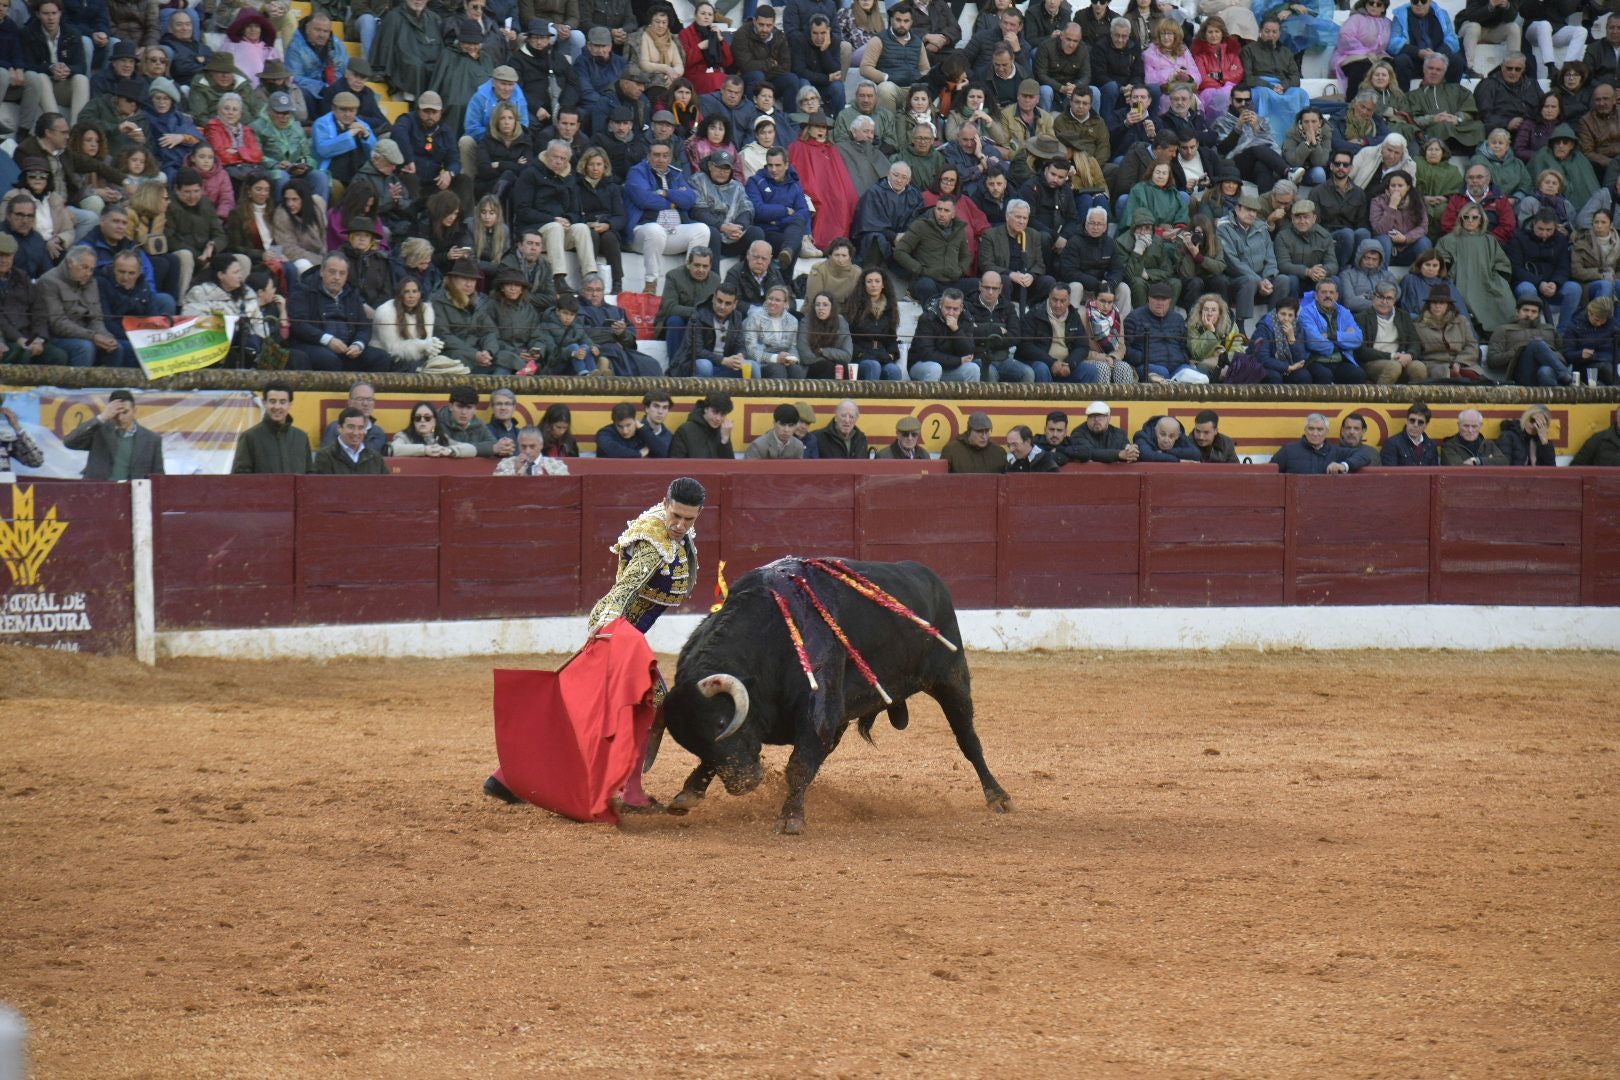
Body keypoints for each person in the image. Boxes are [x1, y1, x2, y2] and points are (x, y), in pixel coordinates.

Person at [63, 389, 164, 479]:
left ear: (134, 411)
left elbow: (158, 478)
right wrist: (102, 417)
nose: (120, 418)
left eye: (125, 412)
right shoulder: (99, 431)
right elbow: (70, 442)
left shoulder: (152, 440)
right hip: (99, 493)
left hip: (134, 495)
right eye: (116, 413)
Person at [1274, 412, 1370, 473]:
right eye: (1311, 429)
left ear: (1326, 432)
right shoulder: (1289, 450)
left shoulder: (1336, 452)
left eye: (1320, 429)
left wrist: (1344, 465)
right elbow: (1270, 471)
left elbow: (1364, 455)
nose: (1315, 433)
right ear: (1305, 430)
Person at [392, 401, 478, 458]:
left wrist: (450, 450)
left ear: (434, 421)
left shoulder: (441, 437)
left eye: (427, 417)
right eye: (417, 418)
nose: (422, 420)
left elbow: (472, 449)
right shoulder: (404, 436)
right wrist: (425, 450)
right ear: (413, 421)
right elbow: (392, 449)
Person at [670, 393, 736, 458]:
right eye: (715, 412)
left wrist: (725, 440)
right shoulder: (685, 430)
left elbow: (730, 466)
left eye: (723, 414)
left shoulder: (724, 430)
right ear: (706, 409)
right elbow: (675, 463)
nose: (718, 418)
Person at [941, 410, 1005, 474]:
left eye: (987, 431)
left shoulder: (998, 452)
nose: (984, 437)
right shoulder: (952, 450)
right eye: (979, 431)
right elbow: (941, 479)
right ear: (969, 431)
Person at [1439, 408, 1508, 466]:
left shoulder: (1488, 444)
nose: (1470, 430)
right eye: (1466, 426)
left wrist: (1477, 461)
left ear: (1480, 426)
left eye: (1474, 426)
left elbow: (1504, 462)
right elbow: (1458, 469)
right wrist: (1489, 461)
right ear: (1459, 425)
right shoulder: (1449, 446)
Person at [1380, 401, 1440, 465]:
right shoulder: (1392, 444)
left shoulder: (1431, 445)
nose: (1415, 425)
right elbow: (1390, 473)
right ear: (1406, 421)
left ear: (1426, 425)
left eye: (1420, 422)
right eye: (1412, 420)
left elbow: (1434, 473)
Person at [494, 426, 571, 475]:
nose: (527, 451)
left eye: (532, 446)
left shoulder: (556, 466)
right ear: (518, 445)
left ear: (541, 445)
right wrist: (516, 472)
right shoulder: (505, 465)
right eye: (523, 446)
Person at [1133, 415, 1199, 463]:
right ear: (1155, 430)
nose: (1166, 440)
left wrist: (1165, 452)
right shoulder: (1142, 436)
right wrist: (1178, 461)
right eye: (1162, 434)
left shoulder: (1180, 435)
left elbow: (1196, 454)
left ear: (1177, 436)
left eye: (1171, 436)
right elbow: (1146, 455)